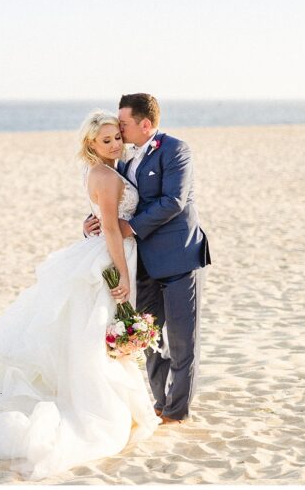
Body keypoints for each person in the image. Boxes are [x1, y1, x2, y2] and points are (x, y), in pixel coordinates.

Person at [0, 110, 160, 481]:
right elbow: (111, 230)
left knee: (93, 335)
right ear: (91, 144)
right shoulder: (104, 173)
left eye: (117, 137)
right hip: (109, 259)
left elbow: (104, 221)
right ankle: (98, 407)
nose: (116, 144)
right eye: (106, 140)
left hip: (100, 252)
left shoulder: (105, 170)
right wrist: (122, 277)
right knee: (95, 335)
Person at [84, 93, 211, 424]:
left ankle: (178, 411)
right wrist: (92, 222)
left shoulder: (175, 150)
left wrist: (129, 228)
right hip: (142, 262)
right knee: (148, 336)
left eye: (123, 123)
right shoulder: (123, 157)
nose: (119, 130)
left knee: (184, 341)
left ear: (145, 124)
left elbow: (174, 201)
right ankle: (160, 401)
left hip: (180, 257)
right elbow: (115, 199)